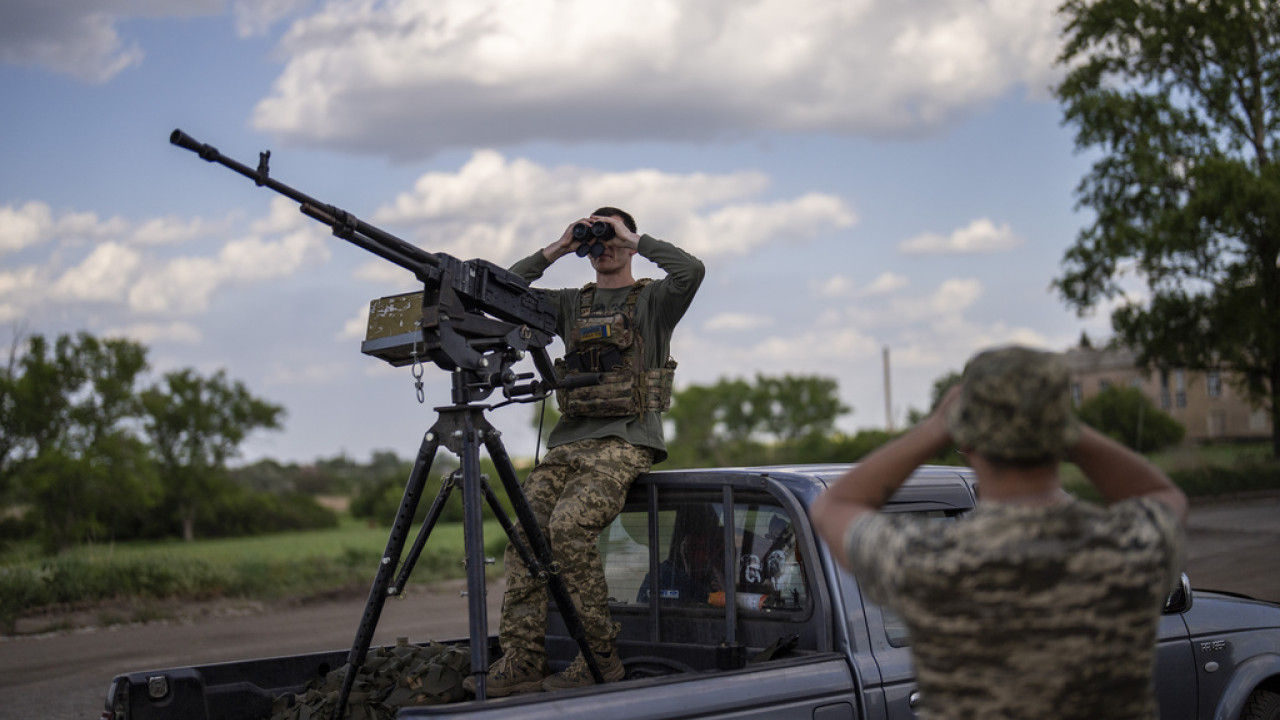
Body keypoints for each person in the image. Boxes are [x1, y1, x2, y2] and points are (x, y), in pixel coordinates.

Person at [810, 345, 1187, 720]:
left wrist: (937, 426)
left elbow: (833, 506)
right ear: (1060, 434)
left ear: (966, 438)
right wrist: (1060, 424)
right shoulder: (1127, 547)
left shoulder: (930, 561)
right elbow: (1162, 494)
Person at [473, 207, 704, 696]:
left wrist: (631, 239)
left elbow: (691, 270)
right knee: (524, 534)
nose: (602, 245)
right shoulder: (570, 304)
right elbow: (501, 296)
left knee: (568, 527)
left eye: (609, 234)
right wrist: (559, 247)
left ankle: (599, 655)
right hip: (568, 443)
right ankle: (523, 658)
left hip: (625, 440)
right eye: (594, 236)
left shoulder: (654, 301)